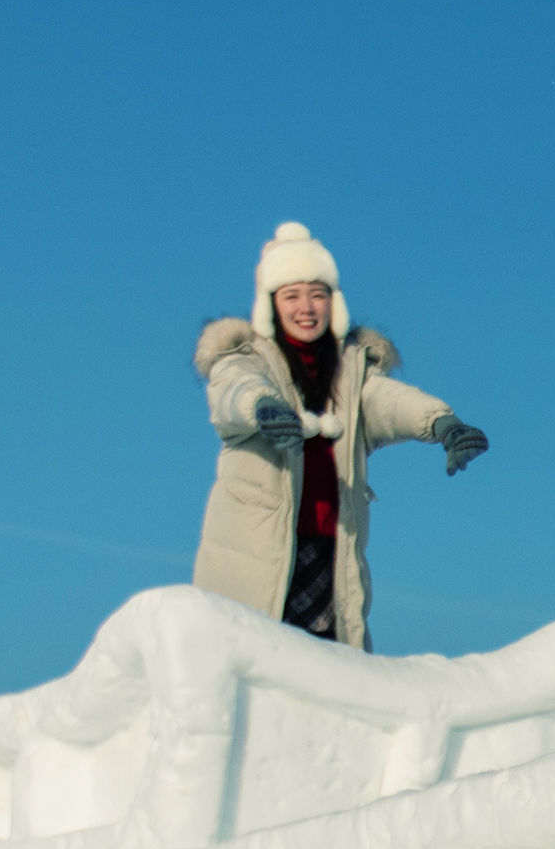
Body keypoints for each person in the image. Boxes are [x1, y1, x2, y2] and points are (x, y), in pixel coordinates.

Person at [192, 220, 488, 646]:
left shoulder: (352, 370)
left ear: (334, 302)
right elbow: (234, 390)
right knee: (250, 667)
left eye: (318, 294)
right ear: (271, 305)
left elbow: (385, 400)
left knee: (332, 677)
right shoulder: (247, 358)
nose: (306, 307)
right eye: (292, 296)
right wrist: (263, 408)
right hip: (258, 556)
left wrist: (443, 424)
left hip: (332, 554)